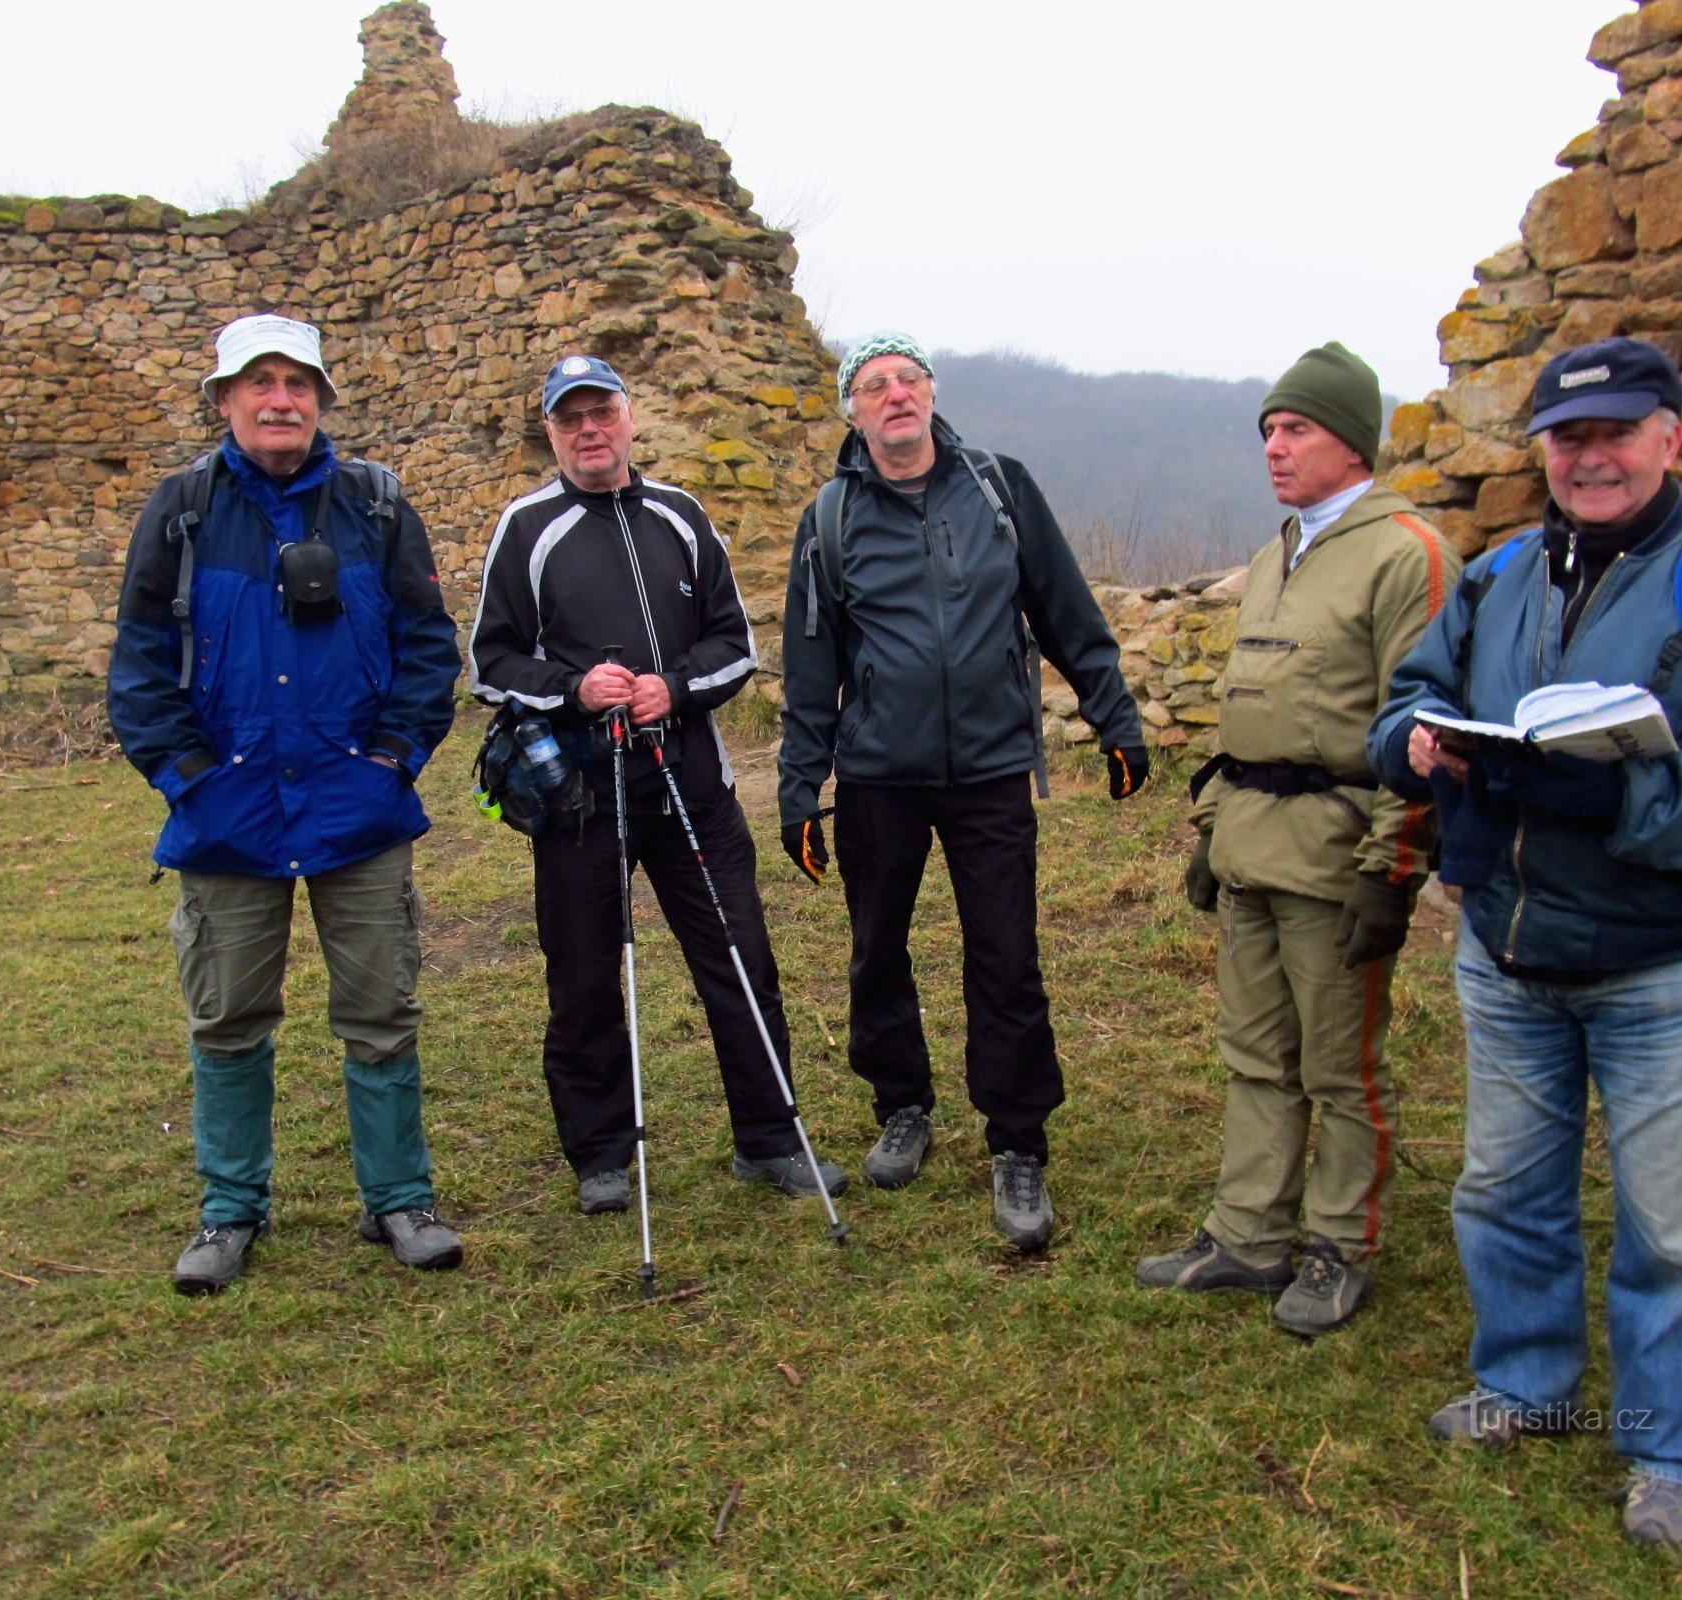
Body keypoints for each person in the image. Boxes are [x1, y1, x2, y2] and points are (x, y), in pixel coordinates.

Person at [1369, 337, 1682, 1548]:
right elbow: (1411, 693)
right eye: (1568, 438)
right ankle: (1529, 1385)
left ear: (1670, 438)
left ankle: (1667, 1449)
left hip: (1664, 965)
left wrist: (1611, 797)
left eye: (1617, 432)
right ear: (1543, 452)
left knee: (1673, 1227)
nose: (1590, 456)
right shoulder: (1500, 573)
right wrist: (1410, 739)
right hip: (1510, 948)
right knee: (1503, 1189)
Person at [109, 313, 464, 1294]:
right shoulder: (180, 513)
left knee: (382, 1011)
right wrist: (190, 780)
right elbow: (139, 664)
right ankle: (230, 1211)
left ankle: (399, 1197)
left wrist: (392, 760)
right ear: (224, 401)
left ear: (321, 400)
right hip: (228, 818)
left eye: (298, 383)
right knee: (226, 1019)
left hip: (357, 811)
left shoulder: (377, 508)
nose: (280, 400)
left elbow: (431, 646)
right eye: (258, 382)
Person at [777, 330, 1150, 1253]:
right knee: (877, 951)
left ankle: (1017, 1142)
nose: (895, 394)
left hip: (987, 769)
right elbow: (809, 666)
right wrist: (797, 787)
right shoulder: (827, 519)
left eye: (908, 379)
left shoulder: (999, 488)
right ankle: (901, 1104)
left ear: (931, 393)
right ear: (852, 410)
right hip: (876, 776)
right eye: (874, 385)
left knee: (1005, 958)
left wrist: (1117, 719)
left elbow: (1068, 612)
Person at [1133, 342, 1459, 1336]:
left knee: (1339, 1065)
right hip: (1252, 846)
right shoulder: (1282, 549)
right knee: (1256, 1052)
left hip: (1336, 852)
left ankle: (1338, 1244)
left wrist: (1393, 867)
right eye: (1268, 429)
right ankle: (1248, 1233)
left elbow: (1432, 724)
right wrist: (1210, 826)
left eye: (1297, 428)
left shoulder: (1408, 552)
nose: (1274, 446)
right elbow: (1253, 708)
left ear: (1351, 440)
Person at [468, 355, 844, 1212]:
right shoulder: (527, 527)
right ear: (553, 433)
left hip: (691, 784)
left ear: (630, 419)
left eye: (601, 412)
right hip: (578, 796)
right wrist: (572, 688)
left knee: (739, 960)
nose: (589, 430)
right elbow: (489, 662)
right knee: (584, 971)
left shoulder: (680, 515)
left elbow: (734, 644)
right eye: (570, 420)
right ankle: (600, 1155)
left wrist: (672, 686)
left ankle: (771, 1139)